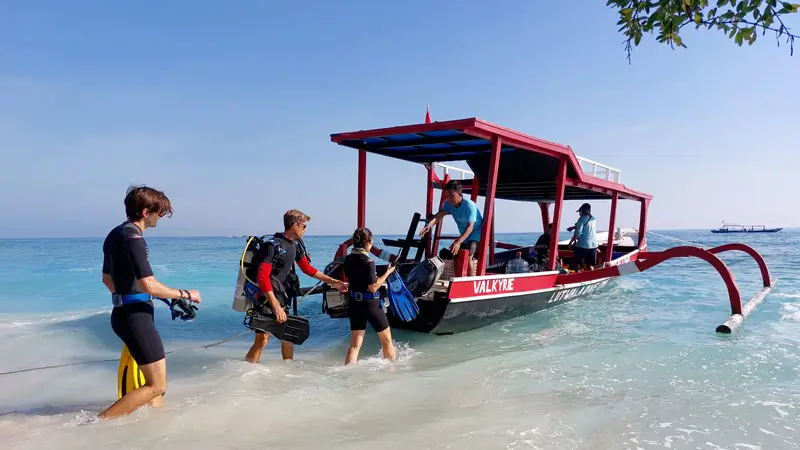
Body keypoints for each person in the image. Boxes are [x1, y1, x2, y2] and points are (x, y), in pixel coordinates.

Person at [98, 185, 202, 421]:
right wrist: (186, 294)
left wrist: (132, 296)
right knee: (157, 385)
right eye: (160, 212)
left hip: (125, 314)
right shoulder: (135, 238)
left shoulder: (115, 234)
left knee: (151, 381)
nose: (161, 217)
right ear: (146, 212)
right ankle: (95, 425)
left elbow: (107, 280)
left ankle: (154, 430)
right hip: (136, 318)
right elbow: (149, 284)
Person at [244, 209, 347, 363]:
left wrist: (334, 282)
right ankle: (246, 371)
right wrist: (276, 306)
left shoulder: (295, 245)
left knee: (288, 335)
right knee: (262, 339)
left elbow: (308, 269)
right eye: (304, 226)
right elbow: (263, 277)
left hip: (282, 295)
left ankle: (288, 371)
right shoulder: (272, 246)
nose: (305, 230)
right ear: (294, 225)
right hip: (266, 297)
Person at [342, 227, 397, 365]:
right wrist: (387, 273)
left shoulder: (347, 259)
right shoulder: (369, 262)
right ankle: (392, 374)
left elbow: (356, 279)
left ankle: (347, 374)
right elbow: (373, 287)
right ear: (368, 242)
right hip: (370, 304)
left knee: (355, 346)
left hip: (354, 302)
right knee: (387, 342)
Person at [419, 180, 483, 276]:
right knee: (455, 255)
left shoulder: (470, 205)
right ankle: (458, 280)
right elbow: (439, 215)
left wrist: (458, 242)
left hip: (478, 235)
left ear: (459, 193)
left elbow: (470, 228)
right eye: (447, 196)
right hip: (465, 236)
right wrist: (429, 225)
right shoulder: (448, 203)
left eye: (452, 195)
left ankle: (471, 282)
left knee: (468, 253)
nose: (449, 198)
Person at [567, 203, 597, 271]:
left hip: (582, 245)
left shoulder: (581, 219)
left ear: (583, 210)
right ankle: (592, 277)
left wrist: (570, 243)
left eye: (580, 211)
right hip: (593, 245)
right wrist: (573, 227)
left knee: (577, 262)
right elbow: (586, 227)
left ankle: (577, 275)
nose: (579, 213)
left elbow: (578, 233)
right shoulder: (593, 219)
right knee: (590, 264)